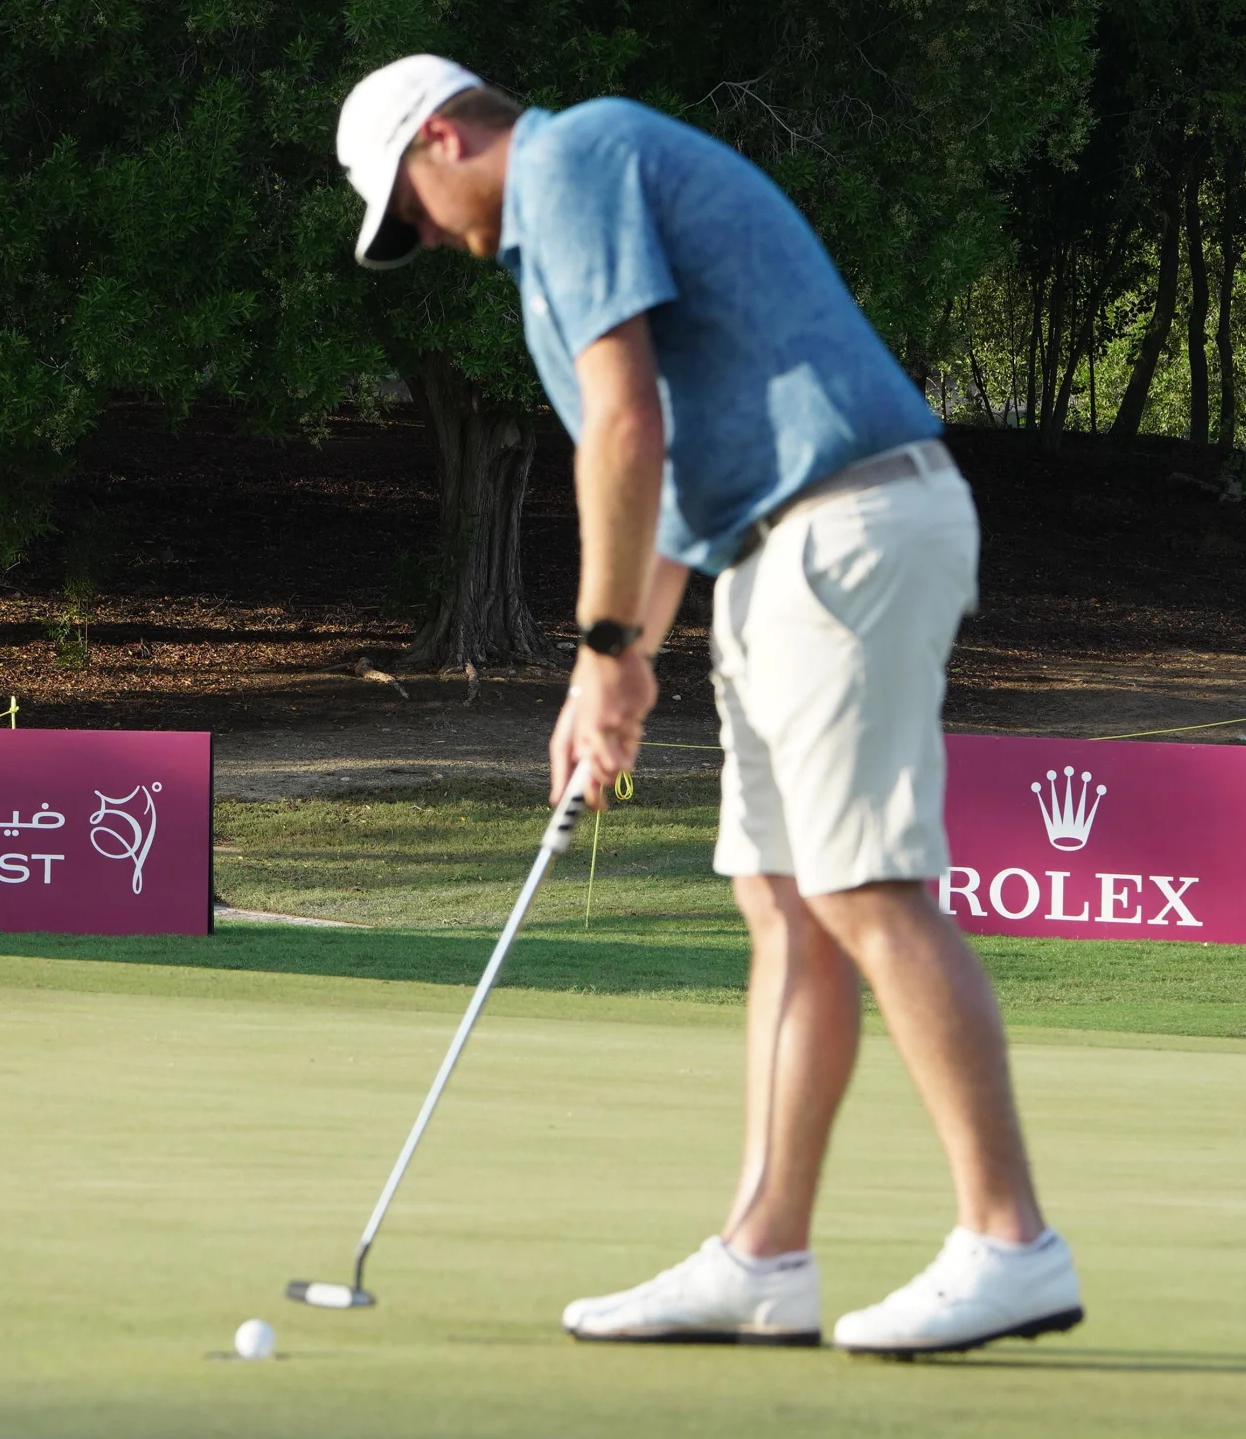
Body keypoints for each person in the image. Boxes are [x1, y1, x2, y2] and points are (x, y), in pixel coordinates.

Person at [334, 55, 1083, 1355]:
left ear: (442, 136)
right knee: (785, 903)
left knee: (865, 887)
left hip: (844, 524)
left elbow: (621, 425)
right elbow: (668, 473)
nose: (429, 237)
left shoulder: (573, 161)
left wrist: (601, 648)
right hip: (774, 550)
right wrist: (620, 669)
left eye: (409, 206)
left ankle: (1010, 1241)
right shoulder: (562, 227)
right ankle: (762, 1256)